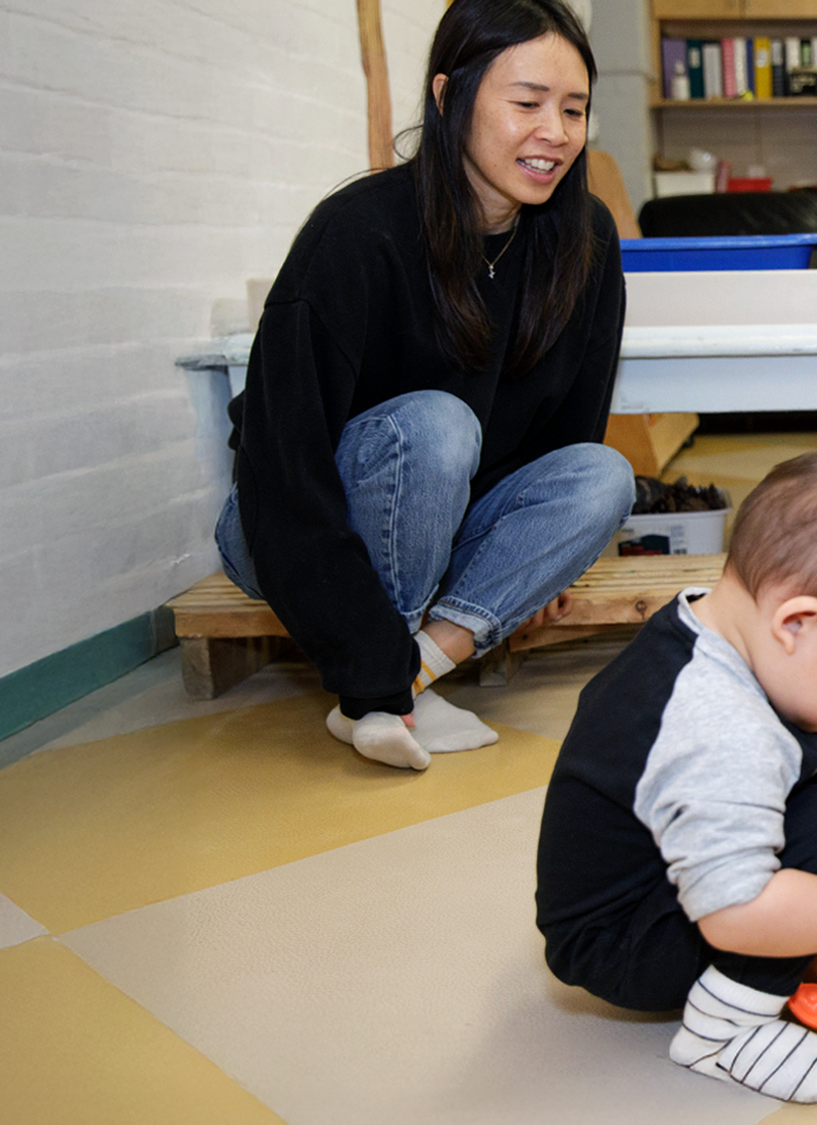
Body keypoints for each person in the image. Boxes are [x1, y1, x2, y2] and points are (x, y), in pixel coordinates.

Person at [215, 0, 635, 771]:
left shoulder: (585, 241)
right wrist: (362, 656)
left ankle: (407, 677)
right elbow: (285, 463)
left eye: (574, 109)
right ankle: (378, 681)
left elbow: (568, 439)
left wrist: (539, 559)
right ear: (449, 97)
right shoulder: (356, 232)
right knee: (436, 427)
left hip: (445, 529)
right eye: (527, 103)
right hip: (286, 526)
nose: (556, 132)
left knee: (603, 475)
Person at [535, 451, 817, 1106]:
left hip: (661, 861)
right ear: (795, 621)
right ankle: (723, 1029)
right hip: (623, 938)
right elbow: (737, 917)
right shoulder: (720, 729)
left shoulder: (716, 628)